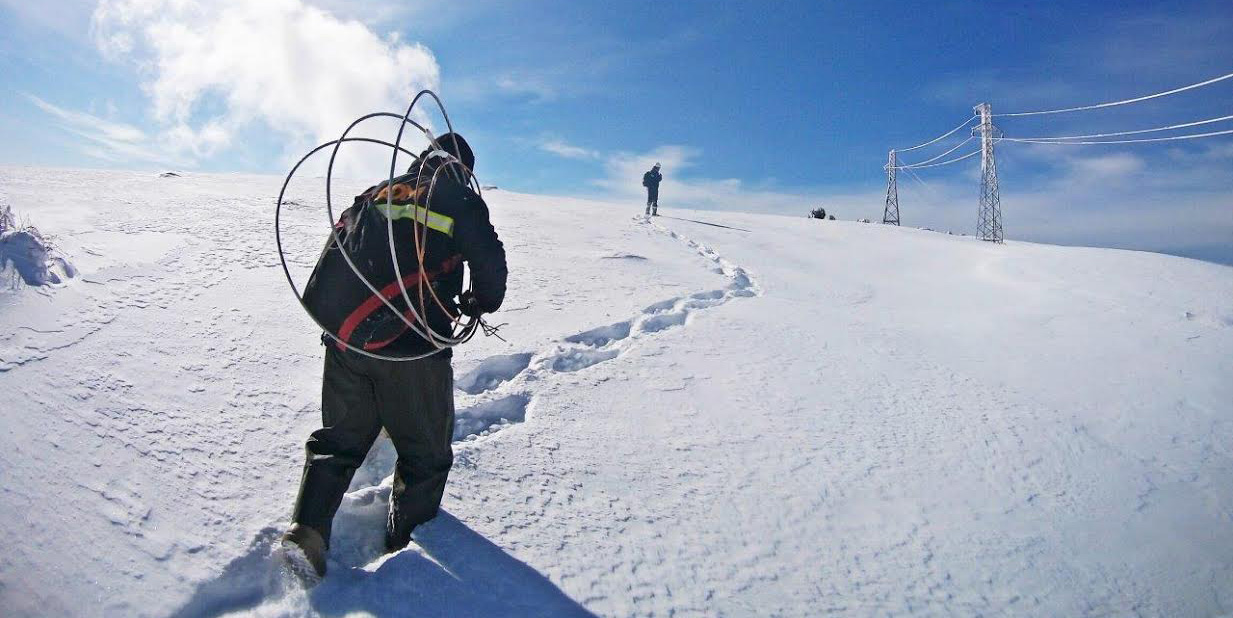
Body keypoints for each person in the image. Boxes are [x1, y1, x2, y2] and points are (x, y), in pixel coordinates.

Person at [281, 132, 507, 580]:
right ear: (463, 169)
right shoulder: (458, 198)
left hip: (345, 342)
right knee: (425, 453)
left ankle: (306, 531)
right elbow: (492, 270)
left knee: (340, 440)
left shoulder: (378, 191)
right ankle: (408, 551)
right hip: (412, 352)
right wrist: (479, 302)